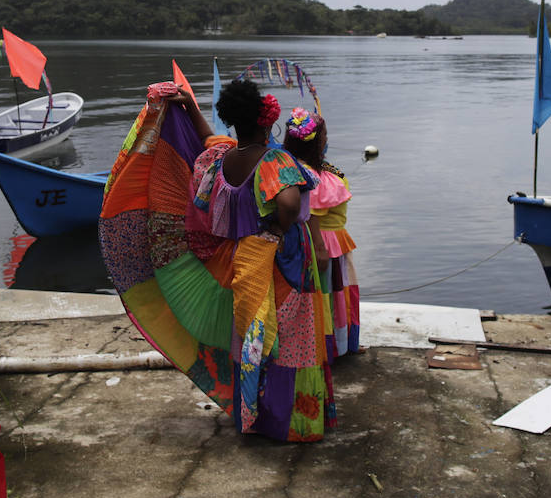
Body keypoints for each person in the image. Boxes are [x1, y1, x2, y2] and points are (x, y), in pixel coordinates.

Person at [99, 77, 337, 441]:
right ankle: (291, 423)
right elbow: (289, 202)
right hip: (282, 259)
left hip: (244, 257)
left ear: (235, 121)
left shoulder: (222, 160)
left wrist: (191, 108)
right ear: (264, 121)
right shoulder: (274, 159)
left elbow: (207, 137)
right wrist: (278, 227)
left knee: (251, 334)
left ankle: (251, 416)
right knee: (290, 339)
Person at [284, 107, 362, 358]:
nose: (327, 139)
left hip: (324, 241)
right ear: (316, 141)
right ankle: (329, 347)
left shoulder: (291, 169)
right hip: (327, 243)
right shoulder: (316, 177)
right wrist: (320, 249)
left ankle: (334, 343)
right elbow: (314, 215)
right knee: (329, 295)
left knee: (332, 294)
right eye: (324, 135)